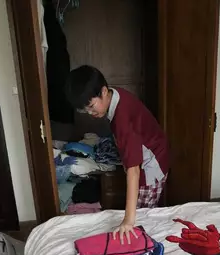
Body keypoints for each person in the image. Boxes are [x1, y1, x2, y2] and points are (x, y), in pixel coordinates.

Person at [65, 65, 169, 243]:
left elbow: (133, 171)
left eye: (91, 106)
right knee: (137, 208)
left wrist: (128, 220)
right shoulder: (115, 94)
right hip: (151, 152)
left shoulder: (122, 119)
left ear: (104, 91)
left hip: (152, 164)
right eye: (85, 110)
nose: (90, 113)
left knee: (142, 214)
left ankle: (145, 246)